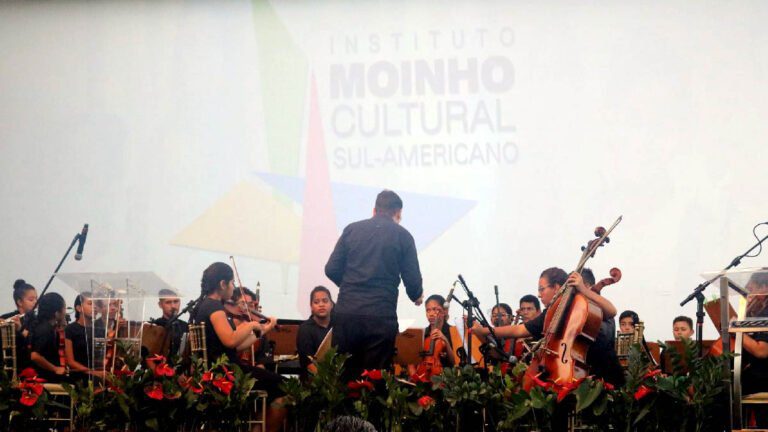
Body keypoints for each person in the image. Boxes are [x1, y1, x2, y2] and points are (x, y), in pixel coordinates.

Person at [325, 190, 424, 380]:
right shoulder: (403, 236)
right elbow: (412, 281)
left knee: (343, 378)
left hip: (347, 316)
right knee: (374, 380)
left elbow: (331, 269)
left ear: (374, 210)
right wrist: (416, 295)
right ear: (397, 213)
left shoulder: (352, 229)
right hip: (379, 317)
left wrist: (350, 285)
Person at [472, 267, 624, 386]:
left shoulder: (585, 304)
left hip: (606, 372)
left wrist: (583, 290)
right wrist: (484, 330)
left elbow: (612, 311)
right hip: (579, 371)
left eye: (542, 289)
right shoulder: (553, 312)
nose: (539, 294)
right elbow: (520, 329)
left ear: (557, 287)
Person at [190, 262, 285, 432]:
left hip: (223, 369)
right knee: (285, 386)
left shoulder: (205, 306)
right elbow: (230, 340)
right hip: (227, 373)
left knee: (274, 384)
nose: (233, 288)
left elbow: (236, 347)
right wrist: (251, 325)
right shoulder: (214, 307)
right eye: (232, 283)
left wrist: (264, 329)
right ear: (222, 284)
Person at [296, 286, 334, 381]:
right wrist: (327, 381)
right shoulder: (305, 329)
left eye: (325, 301)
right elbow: (308, 363)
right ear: (311, 307)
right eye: (316, 302)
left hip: (336, 377)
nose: (321, 305)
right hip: (314, 382)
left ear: (331, 304)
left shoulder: (338, 326)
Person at [64, 292, 104, 381]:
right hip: (79, 375)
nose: (94, 307)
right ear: (79, 308)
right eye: (90, 303)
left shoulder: (99, 329)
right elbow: (71, 362)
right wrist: (92, 372)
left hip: (98, 374)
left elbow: (100, 357)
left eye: (96, 304)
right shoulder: (70, 329)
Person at [29, 292, 68, 382]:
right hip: (43, 378)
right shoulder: (45, 329)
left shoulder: (45, 326)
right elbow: (35, 356)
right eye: (64, 308)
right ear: (57, 313)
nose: (65, 312)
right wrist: (55, 368)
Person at [1, 279, 38, 372]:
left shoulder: (37, 320)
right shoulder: (7, 317)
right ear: (20, 302)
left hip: (29, 367)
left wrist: (20, 328)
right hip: (8, 366)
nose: (35, 302)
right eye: (31, 299)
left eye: (36, 299)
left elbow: (34, 340)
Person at [150, 288, 188, 359]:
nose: (173, 306)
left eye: (176, 301)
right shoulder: (154, 326)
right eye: (168, 302)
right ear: (160, 305)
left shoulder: (186, 326)